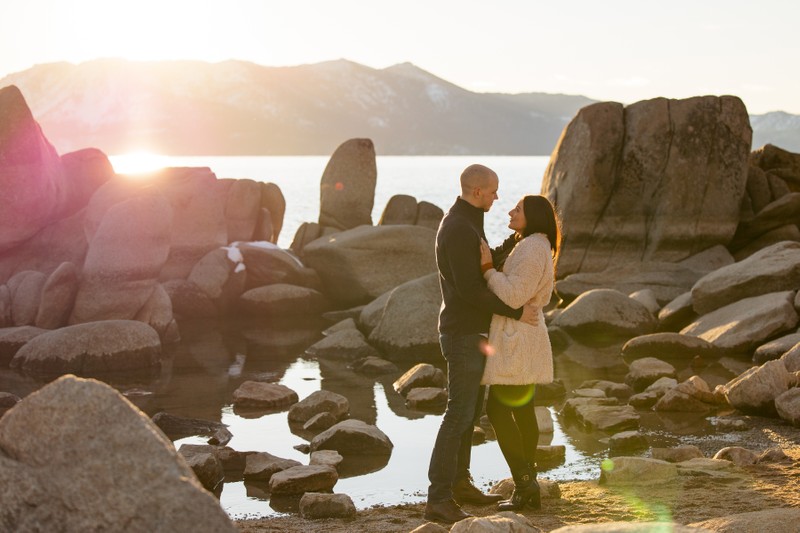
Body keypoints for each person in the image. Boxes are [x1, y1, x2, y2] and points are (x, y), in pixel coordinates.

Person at [424, 164, 540, 524]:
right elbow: (470, 289)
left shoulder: (469, 220)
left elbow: (484, 263)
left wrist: (522, 239)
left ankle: (460, 484)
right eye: (492, 191)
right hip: (462, 333)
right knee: (457, 415)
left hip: (471, 333)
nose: (496, 197)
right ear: (476, 191)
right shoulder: (459, 228)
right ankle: (438, 498)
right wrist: (515, 310)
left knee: (469, 414)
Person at [478, 194, 560, 511]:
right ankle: (528, 487)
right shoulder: (534, 244)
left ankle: (525, 483)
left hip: (518, 341)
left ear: (534, 216)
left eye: (518, 209)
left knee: (498, 411)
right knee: (523, 411)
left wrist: (487, 270)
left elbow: (513, 295)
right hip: (524, 337)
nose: (511, 211)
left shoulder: (532, 248)